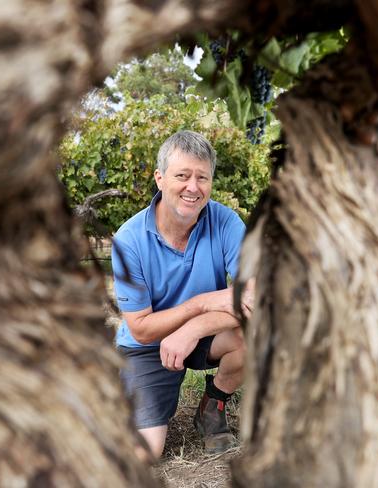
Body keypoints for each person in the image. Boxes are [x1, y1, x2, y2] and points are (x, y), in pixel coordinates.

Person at [111, 130, 252, 459]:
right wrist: (201, 304)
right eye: (182, 176)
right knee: (144, 453)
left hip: (205, 335)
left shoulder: (226, 223)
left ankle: (212, 406)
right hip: (146, 347)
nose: (193, 187)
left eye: (202, 177)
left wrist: (193, 329)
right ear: (160, 179)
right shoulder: (128, 241)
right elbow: (141, 328)